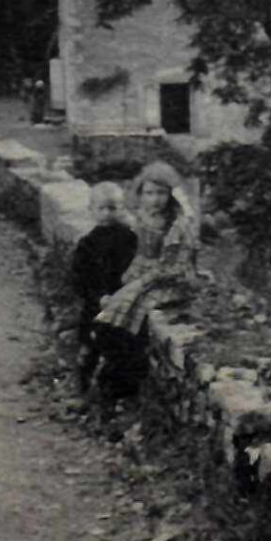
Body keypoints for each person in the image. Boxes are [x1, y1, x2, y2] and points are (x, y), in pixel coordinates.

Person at [93, 162, 201, 393]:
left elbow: (172, 267)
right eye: (149, 193)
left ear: (171, 194)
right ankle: (116, 376)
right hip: (145, 276)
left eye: (161, 193)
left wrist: (140, 282)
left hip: (172, 281)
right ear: (140, 194)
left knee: (130, 313)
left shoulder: (178, 224)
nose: (155, 200)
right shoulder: (142, 218)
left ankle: (126, 380)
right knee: (111, 316)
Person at [71, 181, 138, 391]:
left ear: (122, 209)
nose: (107, 214)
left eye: (113, 208)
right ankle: (84, 382)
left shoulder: (130, 238)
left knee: (120, 345)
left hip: (122, 301)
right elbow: (79, 277)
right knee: (91, 343)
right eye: (101, 208)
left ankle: (115, 387)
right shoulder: (87, 243)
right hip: (96, 303)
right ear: (91, 210)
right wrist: (98, 297)